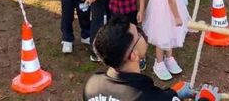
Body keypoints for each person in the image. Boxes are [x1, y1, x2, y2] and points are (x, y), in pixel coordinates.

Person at [83, 15, 219, 100]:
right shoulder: (147, 96)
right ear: (133, 55)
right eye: (139, 33)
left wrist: (171, 94)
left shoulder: (92, 86)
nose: (144, 34)